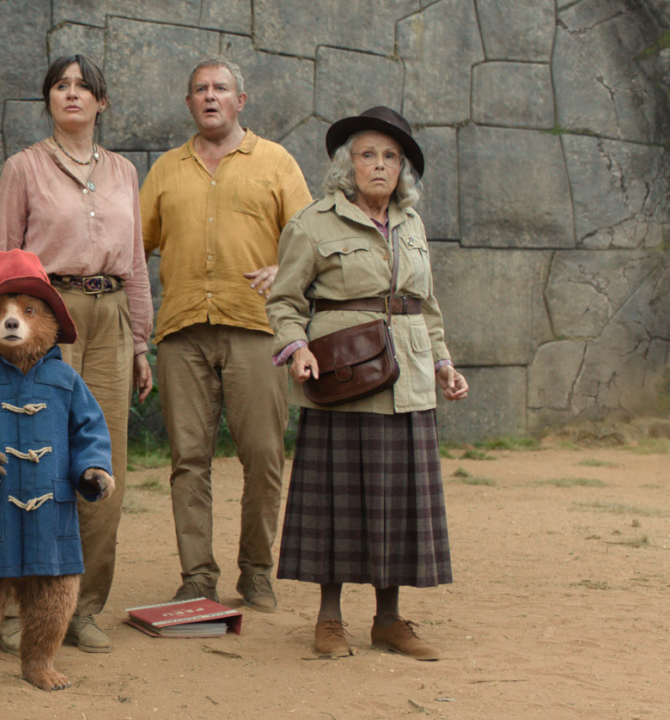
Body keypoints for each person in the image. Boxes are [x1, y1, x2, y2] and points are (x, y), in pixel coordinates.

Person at [265, 106, 470, 660]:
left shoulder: (412, 225)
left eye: (390, 156)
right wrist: (297, 346)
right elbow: (284, 300)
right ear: (346, 164)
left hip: (409, 383)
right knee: (337, 503)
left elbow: (425, 305)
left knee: (396, 503)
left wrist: (445, 364)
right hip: (343, 380)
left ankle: (389, 619)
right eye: (367, 154)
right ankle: (329, 620)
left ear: (401, 168)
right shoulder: (313, 223)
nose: (379, 165)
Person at [0, 53, 154, 654]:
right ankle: (13, 608)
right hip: (41, 318)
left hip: (109, 320)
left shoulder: (126, 173)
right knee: (31, 456)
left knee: (102, 462)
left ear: (101, 102)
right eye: (61, 85)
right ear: (49, 98)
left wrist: (141, 342)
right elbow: (1, 259)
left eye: (84, 87)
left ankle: (80, 610)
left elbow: (134, 264)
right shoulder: (23, 168)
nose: (72, 94)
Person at [139, 57, 312, 612]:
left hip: (256, 327)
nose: (210, 96)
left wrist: (283, 271)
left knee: (263, 454)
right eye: (199, 89)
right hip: (182, 331)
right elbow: (131, 247)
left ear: (242, 100)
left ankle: (257, 570)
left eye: (221, 88)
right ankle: (197, 576)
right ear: (188, 103)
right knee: (188, 459)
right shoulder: (166, 169)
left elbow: (311, 242)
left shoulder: (275, 162)